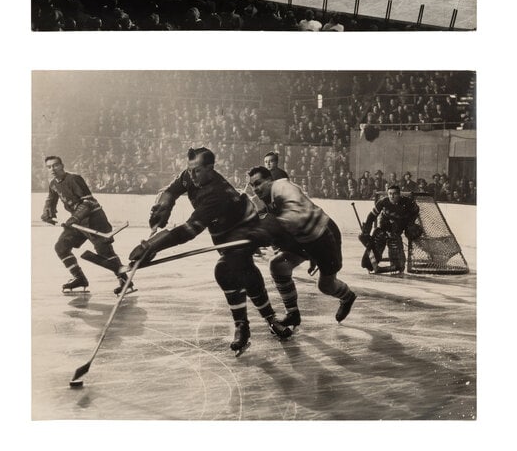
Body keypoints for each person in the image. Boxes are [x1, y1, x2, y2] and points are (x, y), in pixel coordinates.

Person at [128, 147, 299, 354]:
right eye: (189, 170)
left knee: (227, 269)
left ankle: (243, 326)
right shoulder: (190, 175)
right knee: (243, 270)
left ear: (210, 168)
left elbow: (189, 230)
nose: (191, 176)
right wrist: (164, 205)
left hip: (245, 228)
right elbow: (171, 190)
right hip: (222, 232)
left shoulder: (217, 193)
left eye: (197, 171)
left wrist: (152, 246)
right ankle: (268, 320)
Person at [247, 166, 357, 328]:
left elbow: (295, 216)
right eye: (253, 186)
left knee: (326, 285)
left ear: (270, 180)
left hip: (323, 235)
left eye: (258, 183)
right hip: (302, 237)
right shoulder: (263, 197)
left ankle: (348, 297)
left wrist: (266, 231)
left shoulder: (283, 187)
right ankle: (293, 314)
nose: (255, 189)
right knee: (277, 265)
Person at [40, 156, 131, 294]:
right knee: (61, 247)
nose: (52, 169)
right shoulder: (53, 183)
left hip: (94, 219)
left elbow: (88, 202)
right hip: (78, 222)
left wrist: (74, 217)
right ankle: (80, 278)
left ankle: (125, 281)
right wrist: (47, 213)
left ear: (62, 165)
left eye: (55, 165)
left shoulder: (74, 179)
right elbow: (51, 199)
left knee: (104, 252)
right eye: (49, 167)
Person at [358, 184, 422, 272]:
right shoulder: (383, 202)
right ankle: (371, 263)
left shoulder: (408, 202)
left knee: (399, 266)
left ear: (399, 194)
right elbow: (371, 217)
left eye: (394, 194)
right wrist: (366, 232)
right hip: (384, 228)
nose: (392, 196)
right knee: (369, 260)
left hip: (396, 231)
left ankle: (395, 265)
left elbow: (416, 212)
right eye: (390, 193)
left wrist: (409, 224)